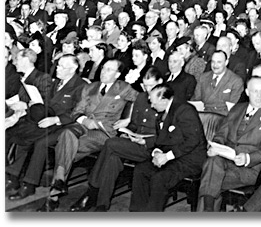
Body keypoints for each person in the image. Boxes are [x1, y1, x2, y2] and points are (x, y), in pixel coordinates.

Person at [37, 60, 139, 211]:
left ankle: (54, 194)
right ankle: (59, 180)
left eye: (109, 70)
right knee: (66, 133)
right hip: (83, 125)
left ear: (117, 74)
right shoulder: (90, 87)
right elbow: (76, 111)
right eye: (103, 68)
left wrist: (128, 119)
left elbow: (143, 102)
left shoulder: (123, 88)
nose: (104, 72)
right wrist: (84, 120)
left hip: (103, 131)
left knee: (65, 147)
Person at [68, 67, 164, 212]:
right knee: (112, 159)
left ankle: (92, 189)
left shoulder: (168, 100)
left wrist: (145, 140)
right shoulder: (142, 97)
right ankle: (102, 205)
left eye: (152, 86)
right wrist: (128, 129)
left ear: (161, 82)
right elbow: (136, 124)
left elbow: (168, 133)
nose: (148, 89)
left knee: (111, 144)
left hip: (152, 146)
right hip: (135, 141)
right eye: (145, 85)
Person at [6, 54, 87, 200]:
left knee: (40, 143)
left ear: (73, 68)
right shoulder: (56, 82)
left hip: (63, 125)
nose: (58, 68)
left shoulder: (81, 86)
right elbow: (47, 103)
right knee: (22, 133)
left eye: (62, 66)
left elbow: (78, 111)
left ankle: (29, 184)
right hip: (46, 119)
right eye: (58, 65)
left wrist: (56, 119)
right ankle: (13, 176)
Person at [198, 76, 261, 212]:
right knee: (213, 162)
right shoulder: (237, 109)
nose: (259, 96)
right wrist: (216, 147)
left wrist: (248, 158)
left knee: (209, 179)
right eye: (255, 91)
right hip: (225, 161)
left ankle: (206, 212)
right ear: (247, 92)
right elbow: (221, 134)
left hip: (248, 169)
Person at [130, 83, 207, 211]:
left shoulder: (184, 110)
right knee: (141, 170)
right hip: (172, 155)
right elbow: (162, 139)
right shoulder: (162, 112)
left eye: (153, 102)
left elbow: (192, 141)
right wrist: (157, 152)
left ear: (164, 100)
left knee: (160, 178)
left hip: (190, 159)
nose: (151, 105)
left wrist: (166, 157)